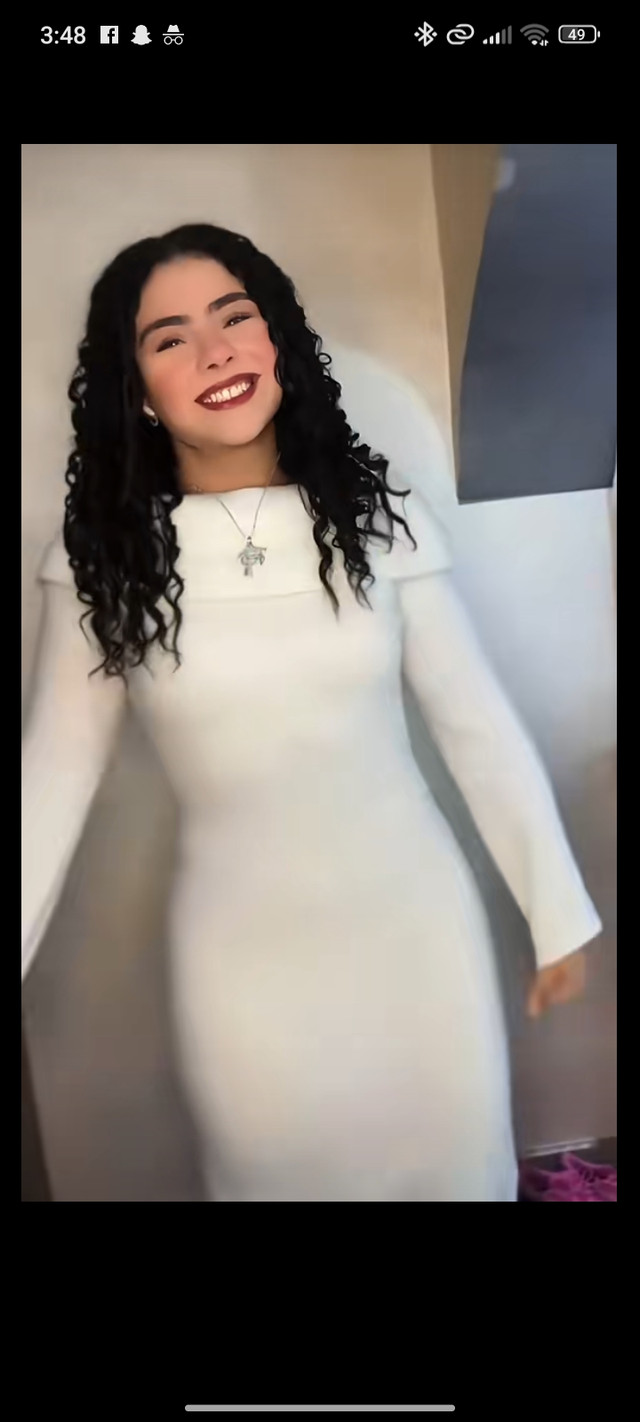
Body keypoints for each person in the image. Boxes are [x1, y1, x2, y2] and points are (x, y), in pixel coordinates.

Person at [21, 222, 603, 1202]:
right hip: (243, 963)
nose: (215, 351)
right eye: (169, 338)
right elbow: (53, 771)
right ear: (137, 390)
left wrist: (557, 914)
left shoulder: (378, 520)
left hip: (417, 934)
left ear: (277, 341)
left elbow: (477, 727)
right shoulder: (104, 565)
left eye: (234, 317)